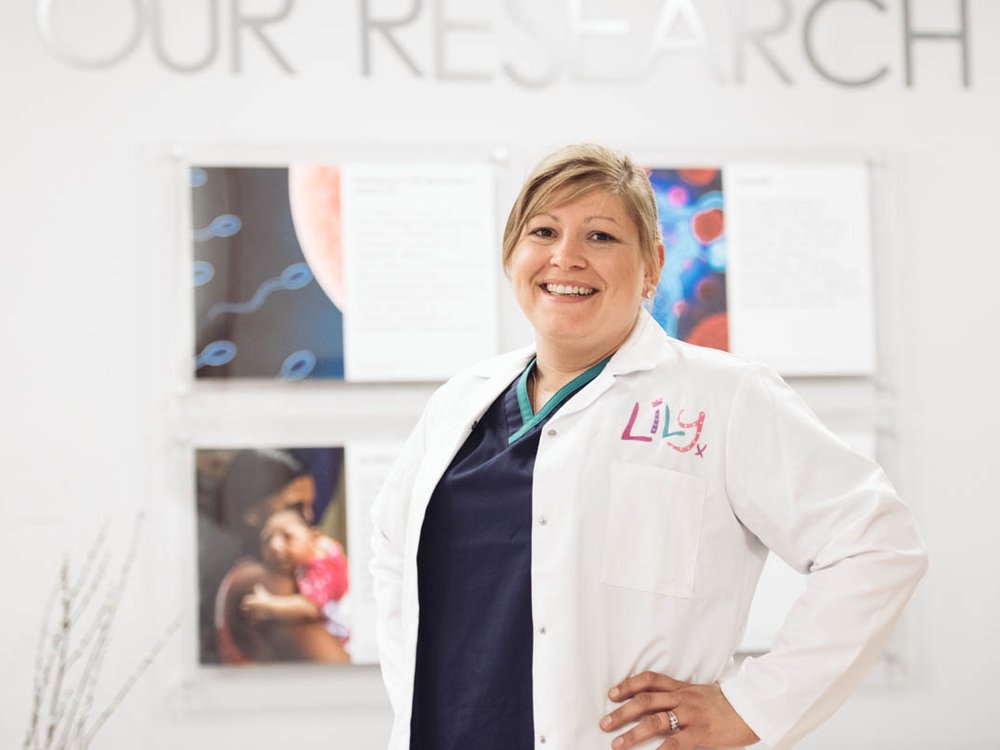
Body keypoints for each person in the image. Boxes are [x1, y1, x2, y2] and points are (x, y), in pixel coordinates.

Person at [368, 144, 927, 750]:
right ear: (512, 256)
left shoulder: (724, 396)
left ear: (652, 266)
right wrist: (415, 698)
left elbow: (876, 541)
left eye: (601, 236)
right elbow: (393, 551)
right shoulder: (461, 401)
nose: (566, 257)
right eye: (543, 231)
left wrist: (752, 707)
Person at [208, 449, 350, 664]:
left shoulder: (250, 571)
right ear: (252, 514)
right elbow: (338, 668)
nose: (309, 517)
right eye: (295, 507)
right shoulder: (268, 581)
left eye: (310, 505)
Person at [241, 509, 351, 643]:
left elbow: (310, 607)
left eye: (288, 537)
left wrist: (269, 605)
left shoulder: (323, 565)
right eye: (267, 539)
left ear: (313, 537)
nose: (275, 546)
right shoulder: (311, 553)